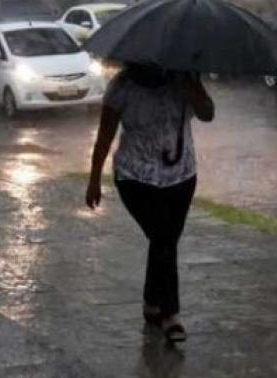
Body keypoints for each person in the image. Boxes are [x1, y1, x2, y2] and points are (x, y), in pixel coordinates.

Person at [86, 63, 215, 344]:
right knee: (162, 237)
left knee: (164, 242)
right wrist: (94, 178)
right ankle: (170, 315)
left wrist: (194, 88)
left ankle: (151, 302)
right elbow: (105, 135)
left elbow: (207, 114)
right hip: (135, 178)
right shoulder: (122, 87)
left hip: (181, 176)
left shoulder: (182, 78)